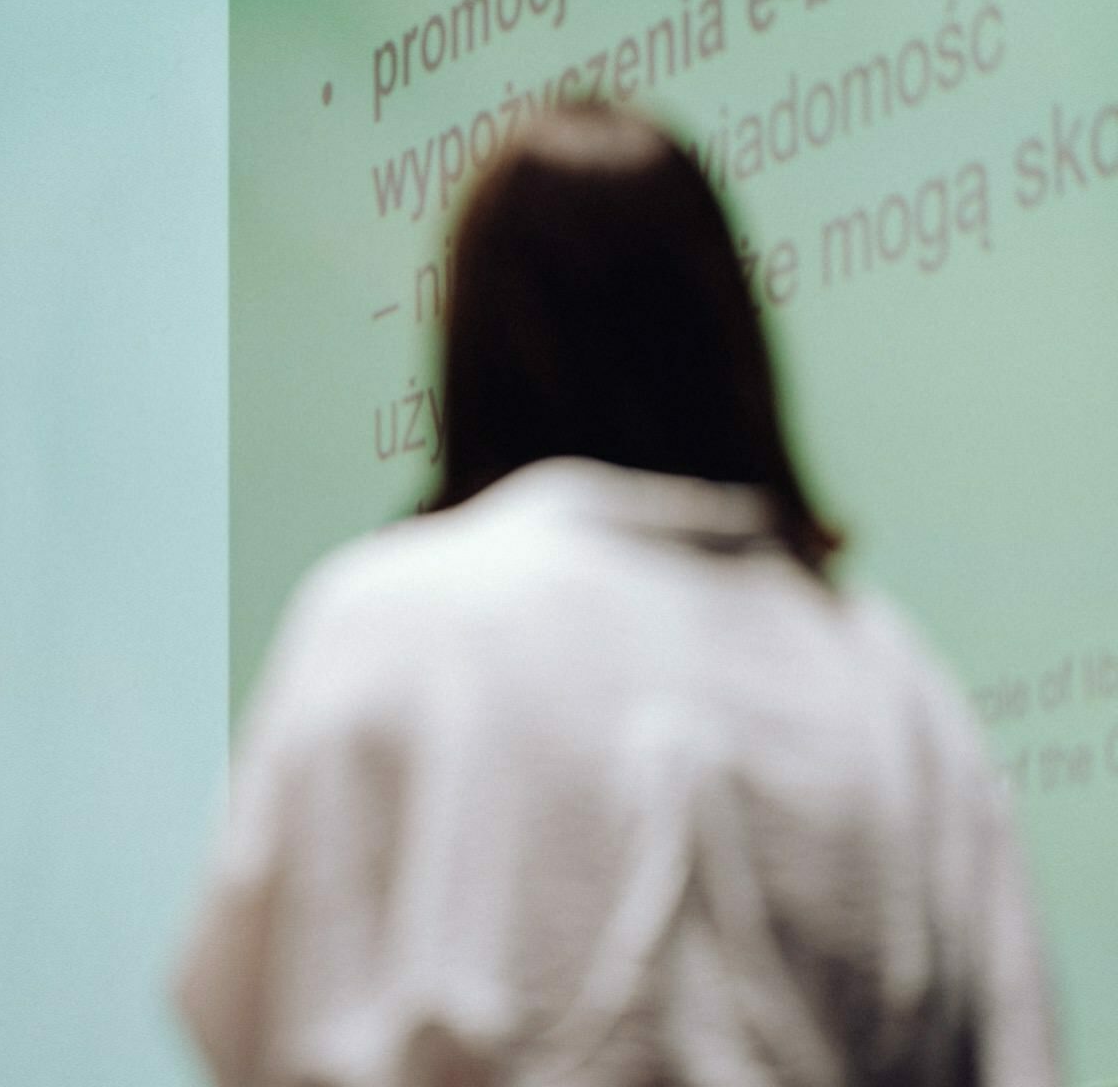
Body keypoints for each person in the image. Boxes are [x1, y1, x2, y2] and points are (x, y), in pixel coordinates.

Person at [175, 105, 1057, 1086]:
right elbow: (1011, 1051)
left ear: (476, 343)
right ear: (725, 333)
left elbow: (242, 1010)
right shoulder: (889, 675)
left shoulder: (383, 620)